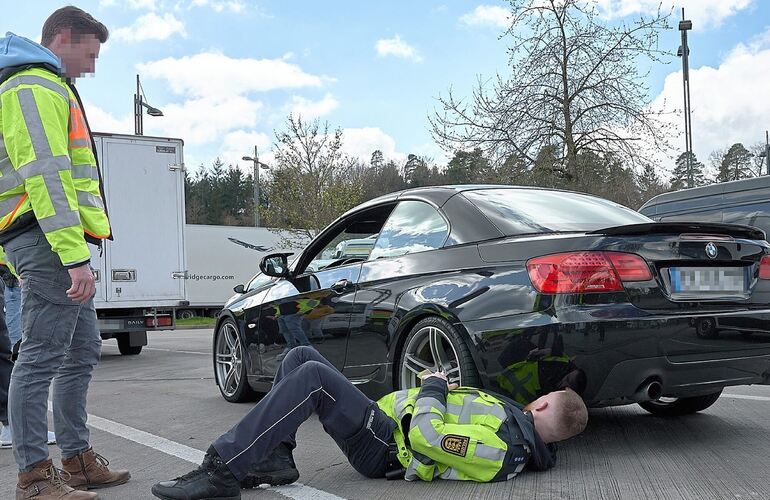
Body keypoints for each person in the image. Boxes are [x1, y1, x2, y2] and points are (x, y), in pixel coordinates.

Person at [151, 346, 588, 500]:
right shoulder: (512, 428)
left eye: (543, 398)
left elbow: (427, 437)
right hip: (384, 427)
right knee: (300, 358)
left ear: (545, 409)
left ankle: (222, 470)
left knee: (313, 379)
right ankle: (277, 460)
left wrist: (435, 389)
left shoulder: (504, 447)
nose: (536, 398)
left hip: (385, 449)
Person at [0, 6, 130, 499]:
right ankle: (34, 477)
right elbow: (47, 176)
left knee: (79, 352)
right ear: (63, 37)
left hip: (58, 240)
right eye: (89, 54)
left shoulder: (49, 85)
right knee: (39, 357)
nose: (92, 67)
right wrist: (73, 255)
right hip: (47, 241)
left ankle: (75, 460)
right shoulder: (32, 85)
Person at [0, 251, 56, 449]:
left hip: (9, 273)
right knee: (9, 352)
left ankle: (12, 426)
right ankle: (13, 427)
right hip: (10, 274)